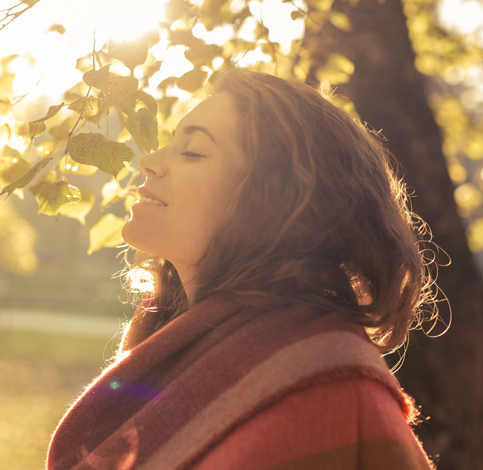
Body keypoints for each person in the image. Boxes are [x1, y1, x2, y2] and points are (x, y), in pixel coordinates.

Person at [47, 69, 437, 469]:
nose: (148, 162)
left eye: (193, 151)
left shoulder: (324, 390)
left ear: (277, 199)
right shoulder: (167, 347)